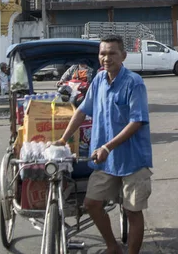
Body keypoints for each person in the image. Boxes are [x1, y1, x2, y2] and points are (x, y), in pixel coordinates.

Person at [54, 35, 152, 254]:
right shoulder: (98, 80)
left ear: (123, 56)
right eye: (103, 53)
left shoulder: (134, 82)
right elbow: (82, 110)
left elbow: (137, 121)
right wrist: (64, 137)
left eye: (112, 53)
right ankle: (112, 246)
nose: (106, 58)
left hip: (133, 159)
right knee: (91, 204)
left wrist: (107, 147)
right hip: (106, 161)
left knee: (132, 212)